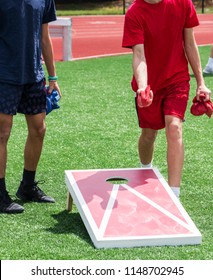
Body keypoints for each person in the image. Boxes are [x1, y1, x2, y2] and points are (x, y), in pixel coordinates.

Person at [122, 0, 211, 199]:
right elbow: (139, 54)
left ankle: (174, 194)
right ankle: (146, 168)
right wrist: (143, 87)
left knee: (174, 127)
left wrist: (201, 82)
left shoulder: (183, 3)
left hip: (177, 79)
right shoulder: (135, 13)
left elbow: (189, 43)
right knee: (148, 135)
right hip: (150, 84)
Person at [0, 0, 61, 214]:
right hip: (4, 74)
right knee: (2, 132)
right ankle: (0, 194)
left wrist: (52, 76)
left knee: (39, 129)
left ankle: (27, 186)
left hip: (34, 75)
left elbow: (44, 36)